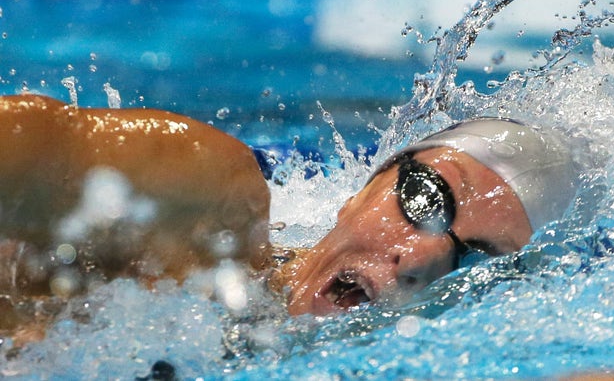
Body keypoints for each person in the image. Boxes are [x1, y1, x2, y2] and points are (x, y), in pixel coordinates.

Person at [0, 93, 577, 345]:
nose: (423, 257)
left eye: (475, 257)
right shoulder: (203, 201)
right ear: (366, 186)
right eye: (428, 201)